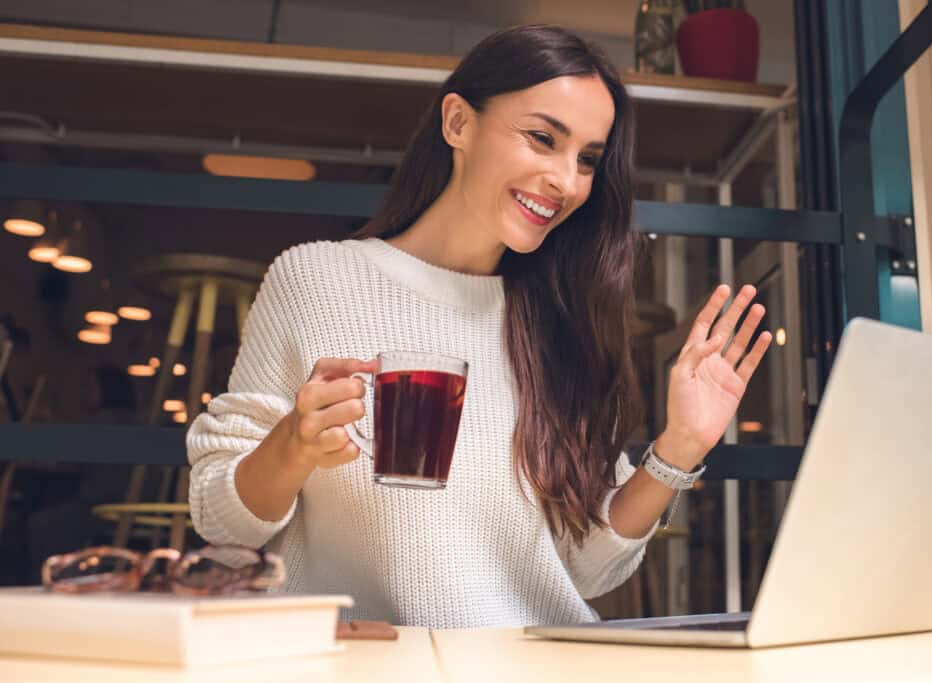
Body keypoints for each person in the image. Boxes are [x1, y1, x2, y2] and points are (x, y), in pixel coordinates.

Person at [187, 24, 771, 629]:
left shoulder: (560, 319)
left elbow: (586, 569)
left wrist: (680, 448)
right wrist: (294, 446)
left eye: (587, 161)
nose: (566, 181)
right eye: (543, 138)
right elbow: (221, 521)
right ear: (458, 123)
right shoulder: (316, 280)